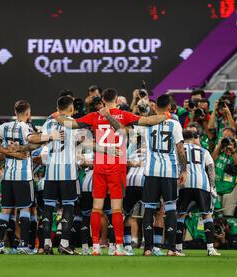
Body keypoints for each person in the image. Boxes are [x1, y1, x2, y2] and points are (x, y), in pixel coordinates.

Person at [54, 88, 168, 255]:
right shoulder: (124, 114)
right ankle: (119, 246)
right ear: (116, 100)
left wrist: (57, 115)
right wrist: (167, 116)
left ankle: (95, 247)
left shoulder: (94, 116)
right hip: (118, 166)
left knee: (96, 208)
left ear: (103, 99)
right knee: (116, 209)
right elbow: (148, 121)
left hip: (100, 165)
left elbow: (72, 124)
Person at [29, 96, 82, 255]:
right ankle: (64, 244)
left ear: (57, 107)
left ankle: (46, 244)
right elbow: (82, 141)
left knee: (48, 208)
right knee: (68, 208)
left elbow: (32, 138)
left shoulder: (49, 123)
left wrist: (49, 137)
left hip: (51, 173)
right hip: (68, 173)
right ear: (71, 108)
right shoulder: (73, 124)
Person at [141, 94, 186, 256]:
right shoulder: (174, 124)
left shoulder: (147, 124)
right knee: (170, 208)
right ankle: (171, 248)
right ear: (169, 108)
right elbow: (180, 150)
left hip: (151, 172)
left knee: (149, 208)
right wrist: (185, 170)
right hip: (169, 172)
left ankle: (147, 248)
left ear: (155, 106)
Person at [0, 100, 39, 254]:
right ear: (27, 113)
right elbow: (33, 144)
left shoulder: (4, 127)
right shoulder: (26, 128)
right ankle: (24, 245)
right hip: (23, 176)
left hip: (7, 176)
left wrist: (8, 153)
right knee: (25, 209)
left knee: (6, 210)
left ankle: (0, 245)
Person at [176, 129, 220, 256]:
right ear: (194, 138)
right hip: (202, 184)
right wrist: (212, 186)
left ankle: (178, 248)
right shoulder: (203, 150)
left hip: (185, 184)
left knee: (181, 215)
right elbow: (211, 167)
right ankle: (210, 248)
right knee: (207, 215)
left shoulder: (179, 148)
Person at [212, 127, 237, 217]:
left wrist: (233, 152)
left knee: (227, 215)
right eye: (224, 137)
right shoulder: (219, 145)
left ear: (234, 137)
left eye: (229, 137)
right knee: (214, 214)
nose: (226, 139)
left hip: (231, 187)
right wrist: (219, 147)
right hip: (216, 185)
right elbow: (211, 161)